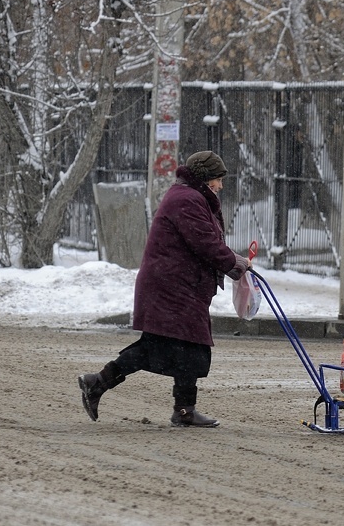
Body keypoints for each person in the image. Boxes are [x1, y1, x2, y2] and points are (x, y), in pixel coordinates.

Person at [78, 151, 250, 428]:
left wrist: (232, 263)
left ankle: (184, 411)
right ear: (206, 179)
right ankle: (96, 383)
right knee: (157, 349)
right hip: (171, 288)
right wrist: (235, 262)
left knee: (190, 348)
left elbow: (204, 243)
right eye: (218, 180)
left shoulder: (190, 197)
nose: (220, 186)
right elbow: (204, 243)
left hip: (179, 286)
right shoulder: (187, 200)